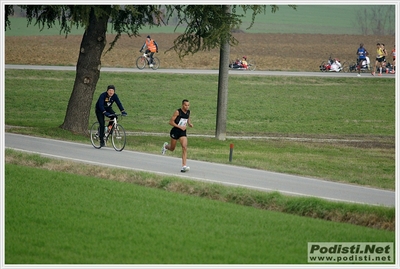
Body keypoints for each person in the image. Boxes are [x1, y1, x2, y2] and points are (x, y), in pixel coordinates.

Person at [161, 99, 193, 172]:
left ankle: (184, 166)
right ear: (182, 105)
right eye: (185, 105)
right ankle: (166, 146)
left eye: (188, 105)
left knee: (184, 147)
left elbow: (187, 118)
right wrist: (179, 127)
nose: (187, 107)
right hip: (175, 131)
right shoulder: (177, 112)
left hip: (183, 132)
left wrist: (189, 123)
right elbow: (171, 122)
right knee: (172, 148)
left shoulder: (188, 112)